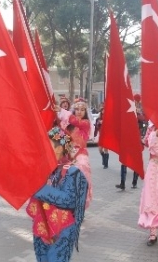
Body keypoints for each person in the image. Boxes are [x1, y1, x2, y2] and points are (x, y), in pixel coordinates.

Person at [27, 126, 88, 262]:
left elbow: (68, 199)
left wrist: (39, 189)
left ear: (59, 149)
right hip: (41, 226)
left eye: (47, 146)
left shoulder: (71, 171)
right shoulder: (44, 169)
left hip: (61, 231)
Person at [55, 98, 93, 208]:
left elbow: (76, 121)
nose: (79, 111)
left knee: (81, 172)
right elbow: (62, 134)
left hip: (80, 155)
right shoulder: (69, 125)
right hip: (68, 156)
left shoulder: (85, 124)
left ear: (85, 112)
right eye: (77, 109)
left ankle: (80, 203)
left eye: (82, 109)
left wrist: (62, 111)